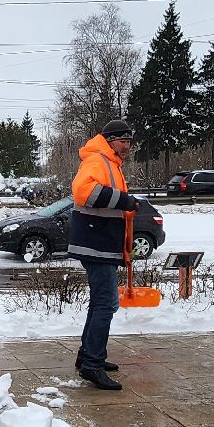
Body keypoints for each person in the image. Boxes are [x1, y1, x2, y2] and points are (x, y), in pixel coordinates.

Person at [68, 118, 138, 389]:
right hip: (96, 244)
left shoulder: (110, 163)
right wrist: (126, 201)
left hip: (101, 243)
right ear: (111, 141)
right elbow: (83, 192)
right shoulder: (98, 160)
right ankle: (92, 365)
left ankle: (88, 356)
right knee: (106, 304)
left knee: (100, 303)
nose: (127, 147)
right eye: (123, 141)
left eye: (130, 142)